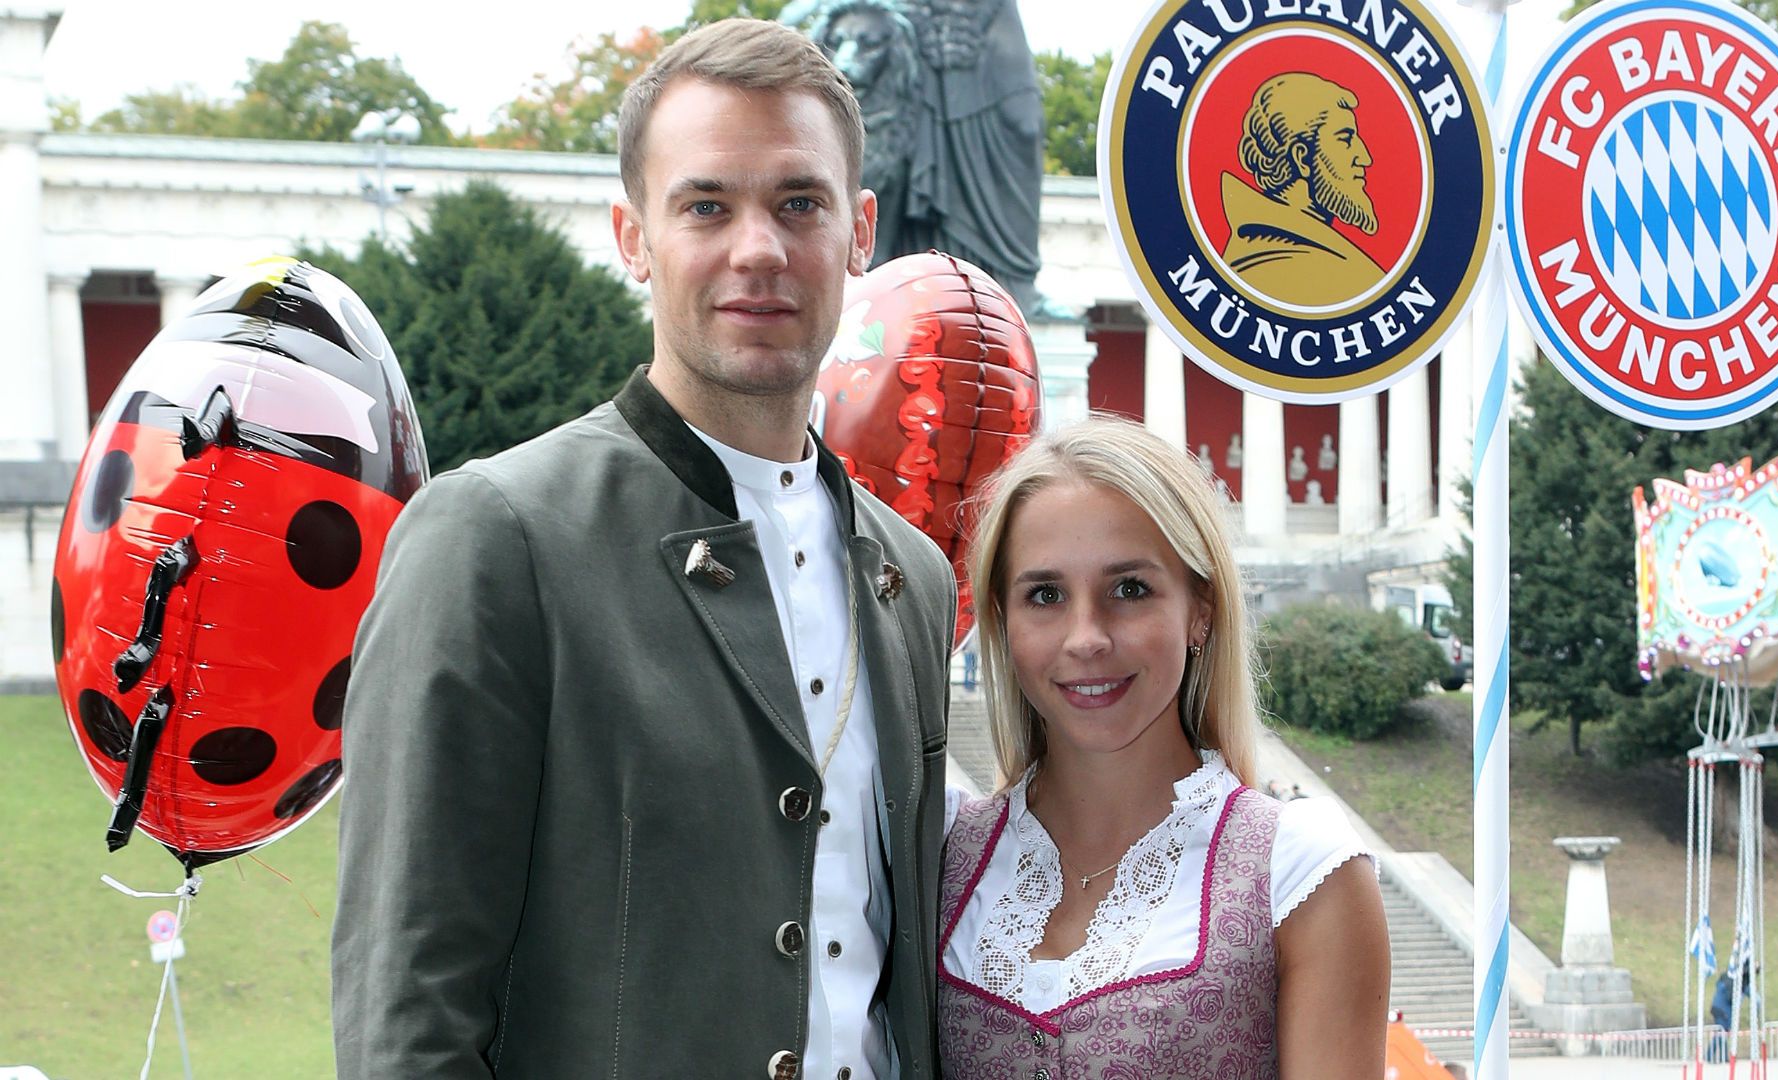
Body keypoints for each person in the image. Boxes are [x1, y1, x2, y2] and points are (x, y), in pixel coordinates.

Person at [330, 19, 957, 1079]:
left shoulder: (915, 577)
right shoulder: (494, 538)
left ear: (859, 233)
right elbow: (409, 1010)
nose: (757, 247)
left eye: (797, 203)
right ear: (633, 237)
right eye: (706, 204)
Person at [936, 416, 1390, 1077]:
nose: (1085, 637)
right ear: (1003, 623)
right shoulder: (941, 851)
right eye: (1046, 595)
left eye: (1129, 589)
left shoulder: (1301, 874)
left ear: (1200, 609)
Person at [1224, 72, 1385, 308]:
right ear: (1302, 158)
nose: (1365, 158)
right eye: (1346, 139)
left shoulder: (1323, 259)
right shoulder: (1275, 264)